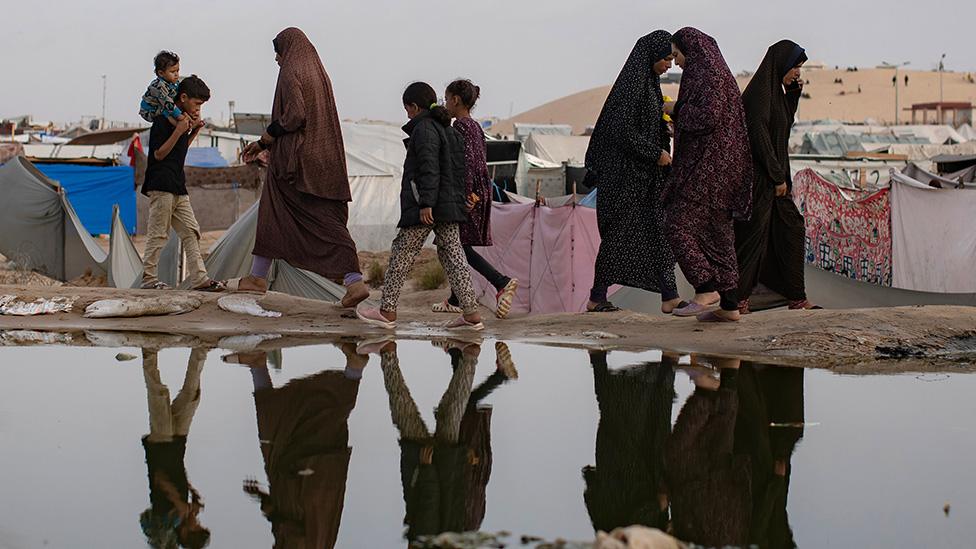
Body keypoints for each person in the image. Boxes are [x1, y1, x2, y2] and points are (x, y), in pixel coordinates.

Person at [237, 28, 369, 309]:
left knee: (276, 210)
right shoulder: (318, 73)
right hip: (324, 161)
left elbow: (295, 115)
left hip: (297, 163)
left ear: (287, 49)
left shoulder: (290, 71)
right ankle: (353, 280)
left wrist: (265, 139)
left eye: (277, 51)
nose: (276, 58)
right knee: (326, 218)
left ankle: (259, 277)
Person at [357, 82, 484, 331]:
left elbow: (428, 168)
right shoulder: (449, 130)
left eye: (407, 109)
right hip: (448, 207)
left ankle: (387, 311)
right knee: (454, 256)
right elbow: (459, 171)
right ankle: (471, 314)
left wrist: (426, 203)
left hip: (429, 207)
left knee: (402, 252)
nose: (407, 115)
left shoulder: (424, 129)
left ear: (414, 106)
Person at [583, 30, 686, 314]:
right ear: (651, 56)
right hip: (624, 179)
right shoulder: (632, 87)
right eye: (665, 59)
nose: (670, 65)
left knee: (658, 233)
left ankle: (670, 296)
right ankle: (596, 297)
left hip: (644, 179)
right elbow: (622, 131)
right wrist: (656, 153)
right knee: (618, 237)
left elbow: (642, 125)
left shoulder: (649, 84)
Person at [226, 345, 366, 549]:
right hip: (301, 484)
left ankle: (354, 370)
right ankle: (258, 365)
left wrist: (263, 500)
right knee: (274, 427)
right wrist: (269, 510)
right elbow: (295, 534)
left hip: (323, 479)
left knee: (326, 419)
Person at [665, 27, 753, 322]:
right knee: (719, 235)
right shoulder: (720, 73)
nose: (676, 62)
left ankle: (705, 288)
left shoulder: (705, 76)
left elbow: (708, 116)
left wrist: (675, 108)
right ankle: (729, 305)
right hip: (725, 170)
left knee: (676, 223)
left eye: (677, 55)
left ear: (691, 50)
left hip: (707, 170)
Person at [735, 40, 820, 313]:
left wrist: (792, 95)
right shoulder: (758, 96)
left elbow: (782, 127)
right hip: (761, 182)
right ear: (781, 64)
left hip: (777, 180)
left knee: (791, 229)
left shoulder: (775, 95)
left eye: (799, 67)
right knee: (753, 239)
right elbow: (759, 138)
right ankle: (738, 300)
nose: (797, 71)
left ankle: (796, 297)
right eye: (794, 66)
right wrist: (776, 177)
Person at [431, 79, 519, 319]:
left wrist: (466, 195)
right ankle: (456, 298)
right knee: (455, 243)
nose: (446, 103)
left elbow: (467, 163)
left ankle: (500, 282)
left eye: (447, 98)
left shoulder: (461, 126)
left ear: (456, 100)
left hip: (468, 192)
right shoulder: (475, 126)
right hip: (478, 190)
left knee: (457, 245)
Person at [140, 75, 224, 292]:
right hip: (161, 184)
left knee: (191, 231)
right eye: (196, 103)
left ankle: (200, 279)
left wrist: (193, 130)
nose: (198, 108)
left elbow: (179, 150)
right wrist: (179, 130)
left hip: (177, 184)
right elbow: (159, 154)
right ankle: (149, 279)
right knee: (158, 233)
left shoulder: (182, 122)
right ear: (183, 98)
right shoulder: (162, 120)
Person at [139, 347, 211, 549]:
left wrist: (180, 503)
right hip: (178, 443)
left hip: (161, 445)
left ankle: (149, 353)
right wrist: (191, 491)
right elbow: (178, 473)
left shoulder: (168, 515)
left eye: (196, 527)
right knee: (192, 397)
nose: (197, 522)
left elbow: (160, 477)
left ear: (185, 533)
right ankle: (200, 350)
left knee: (158, 394)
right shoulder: (184, 513)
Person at [139, 51, 186, 126]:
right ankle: (178, 126)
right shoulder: (159, 86)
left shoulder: (173, 82)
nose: (176, 74)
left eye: (177, 70)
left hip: (160, 104)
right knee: (166, 111)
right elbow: (168, 104)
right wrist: (181, 117)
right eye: (172, 71)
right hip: (149, 110)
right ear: (161, 73)